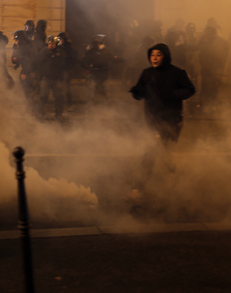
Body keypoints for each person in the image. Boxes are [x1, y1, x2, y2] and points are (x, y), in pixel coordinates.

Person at [128, 43, 196, 200]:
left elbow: (190, 89)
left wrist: (174, 94)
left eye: (158, 55)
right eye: (152, 55)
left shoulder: (177, 73)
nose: (155, 58)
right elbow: (140, 92)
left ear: (165, 56)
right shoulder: (147, 73)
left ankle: (138, 188)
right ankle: (174, 171)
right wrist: (137, 92)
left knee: (150, 152)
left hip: (170, 120)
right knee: (161, 150)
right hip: (152, 119)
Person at [37, 35, 66, 120]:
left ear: (56, 44)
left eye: (53, 44)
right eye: (49, 44)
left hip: (56, 78)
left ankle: (58, 114)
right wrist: (41, 74)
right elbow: (38, 63)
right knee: (43, 96)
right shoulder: (44, 52)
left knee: (58, 97)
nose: (51, 45)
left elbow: (63, 64)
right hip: (46, 78)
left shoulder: (60, 52)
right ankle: (40, 113)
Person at [82, 34, 117, 103]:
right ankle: (89, 109)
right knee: (91, 93)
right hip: (94, 74)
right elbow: (84, 62)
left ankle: (109, 109)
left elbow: (113, 59)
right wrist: (89, 68)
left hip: (104, 74)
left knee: (107, 93)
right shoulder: (91, 51)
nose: (103, 44)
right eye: (101, 43)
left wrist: (123, 60)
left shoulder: (106, 51)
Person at [57, 31, 78, 109]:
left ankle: (69, 104)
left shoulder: (68, 48)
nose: (59, 40)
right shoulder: (59, 47)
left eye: (60, 39)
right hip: (60, 70)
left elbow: (72, 58)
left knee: (66, 88)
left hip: (66, 70)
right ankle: (60, 104)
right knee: (59, 88)